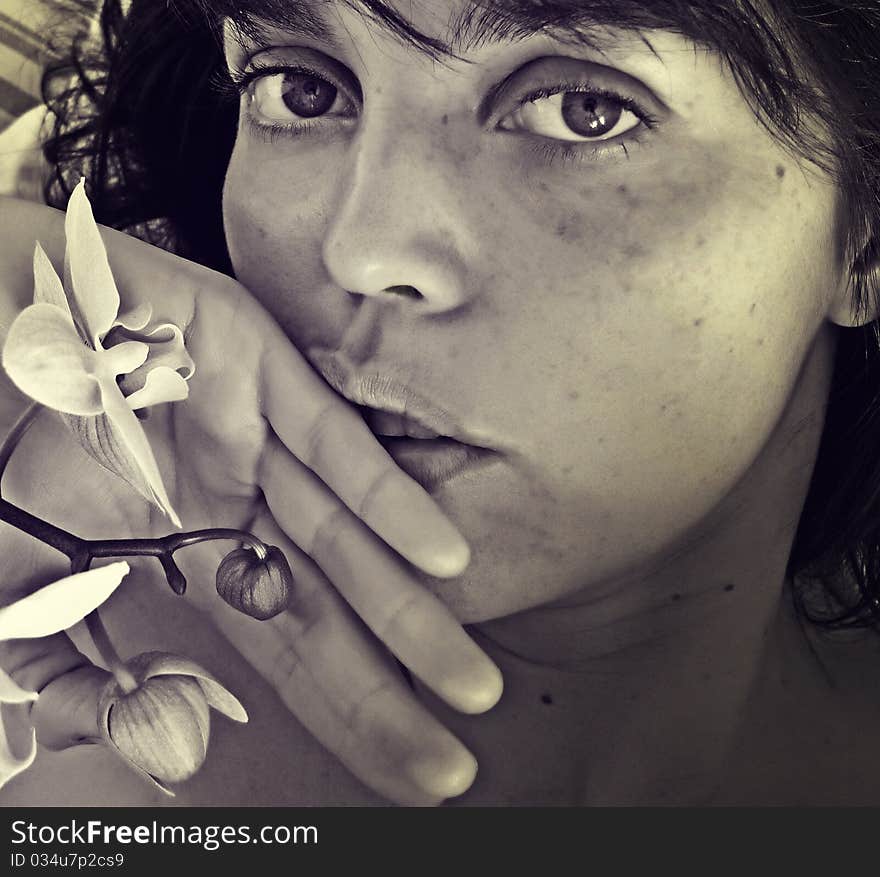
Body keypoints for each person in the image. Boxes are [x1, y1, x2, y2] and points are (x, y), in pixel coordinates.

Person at [1, 0, 880, 805]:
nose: (362, 248)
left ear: (864, 237)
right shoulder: (47, 716)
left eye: (584, 108)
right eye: (300, 90)